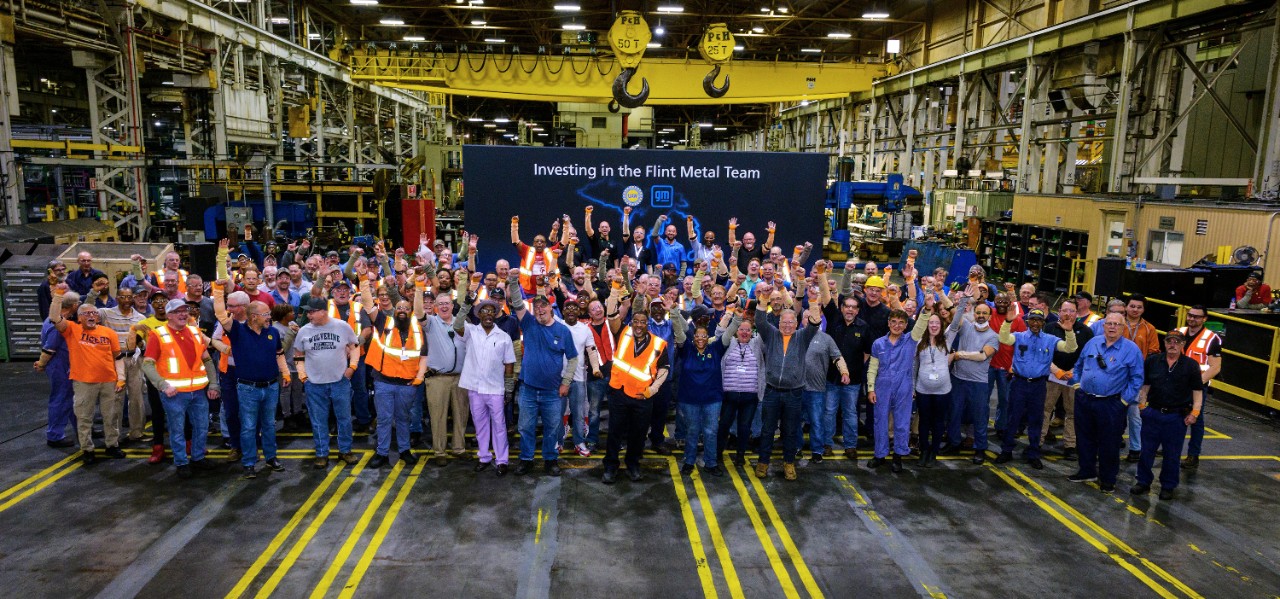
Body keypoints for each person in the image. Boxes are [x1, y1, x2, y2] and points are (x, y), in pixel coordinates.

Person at [214, 278, 291, 479]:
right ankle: (249, 463)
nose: (269, 317)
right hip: (248, 388)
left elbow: (279, 354)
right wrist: (217, 289)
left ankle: (271, 457)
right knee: (248, 426)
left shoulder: (272, 332)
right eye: (266, 314)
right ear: (254, 316)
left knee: (269, 424)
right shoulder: (237, 331)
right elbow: (221, 314)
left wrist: (286, 373)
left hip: (271, 386)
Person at [505, 273, 579, 476]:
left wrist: (566, 382)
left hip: (552, 392)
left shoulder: (563, 331)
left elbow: (573, 358)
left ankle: (550, 459)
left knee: (552, 428)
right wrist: (513, 282)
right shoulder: (528, 323)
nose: (539, 309)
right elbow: (519, 303)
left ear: (551, 308)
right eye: (536, 307)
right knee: (526, 428)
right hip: (528, 389)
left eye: (543, 306)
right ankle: (526, 459)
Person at [139, 299, 221, 478]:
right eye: (178, 311)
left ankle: (198, 458)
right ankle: (181, 462)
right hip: (174, 394)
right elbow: (147, 365)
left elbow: (207, 360)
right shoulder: (157, 335)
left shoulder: (195, 331)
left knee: (201, 426)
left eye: (185, 310)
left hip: (199, 391)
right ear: (169, 315)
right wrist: (162, 385)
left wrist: (213, 383)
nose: (183, 314)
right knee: (177, 430)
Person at [48, 283, 126, 464]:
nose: (91, 316)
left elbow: (118, 357)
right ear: (79, 317)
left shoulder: (109, 333)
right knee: (84, 418)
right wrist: (59, 294)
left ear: (98, 317)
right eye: (86, 314)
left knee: (111, 416)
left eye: (94, 314)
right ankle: (87, 449)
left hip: (109, 381)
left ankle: (112, 445)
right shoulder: (71, 330)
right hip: (84, 382)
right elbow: (54, 316)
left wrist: (121, 378)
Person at [1069, 312, 1145, 493]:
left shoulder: (1131, 350)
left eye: (1116, 325)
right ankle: (1087, 471)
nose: (1112, 327)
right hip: (1085, 399)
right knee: (1084, 438)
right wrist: (1078, 385)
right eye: (1109, 323)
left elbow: (1137, 378)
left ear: (1123, 327)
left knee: (1109, 443)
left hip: (1111, 404)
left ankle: (1108, 478)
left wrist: (1124, 401)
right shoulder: (1092, 343)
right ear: (1103, 326)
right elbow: (1078, 365)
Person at [995, 308, 1077, 469]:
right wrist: (1008, 321)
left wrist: (1069, 332)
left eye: (1039, 320)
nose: (1035, 323)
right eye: (1032, 319)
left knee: (1036, 420)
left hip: (1039, 385)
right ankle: (1006, 450)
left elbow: (1070, 348)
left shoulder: (1051, 340)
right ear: (1027, 322)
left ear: (1043, 323)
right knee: (1013, 418)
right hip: (1019, 383)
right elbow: (1004, 338)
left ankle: (1033, 453)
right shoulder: (1018, 337)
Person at [360, 273, 427, 469]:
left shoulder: (419, 327)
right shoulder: (383, 323)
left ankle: (405, 451)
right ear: (394, 310)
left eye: (407, 308)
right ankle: (381, 453)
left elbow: (424, 355)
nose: (403, 310)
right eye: (399, 308)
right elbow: (367, 302)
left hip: (407, 384)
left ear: (411, 311)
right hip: (384, 382)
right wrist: (363, 277)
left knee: (403, 419)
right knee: (384, 419)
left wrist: (419, 377)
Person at [753, 300, 824, 481]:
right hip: (772, 391)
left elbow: (815, 323)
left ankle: (789, 464)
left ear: (797, 323)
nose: (787, 325)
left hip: (794, 393)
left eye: (790, 322)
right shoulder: (771, 335)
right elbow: (760, 321)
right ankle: (763, 463)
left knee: (790, 430)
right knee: (768, 430)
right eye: (784, 322)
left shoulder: (803, 336)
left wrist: (814, 301)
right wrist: (762, 300)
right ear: (778, 324)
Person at [1132, 329, 1203, 500]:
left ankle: (1168, 486)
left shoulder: (1191, 365)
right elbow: (1145, 386)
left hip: (1176, 417)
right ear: (1164, 343)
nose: (1173, 345)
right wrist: (1142, 407)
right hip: (1153, 414)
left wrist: (1195, 412)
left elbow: (1197, 391)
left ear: (1183, 345)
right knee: (1147, 451)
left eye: (1177, 342)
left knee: (1172, 454)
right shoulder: (1152, 361)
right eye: (1169, 341)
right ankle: (1143, 481)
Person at [293, 295, 362, 469]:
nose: (308, 316)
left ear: (323, 311)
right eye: (308, 313)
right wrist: (303, 376)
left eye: (312, 312)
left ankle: (345, 450)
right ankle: (321, 453)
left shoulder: (342, 326)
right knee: (318, 421)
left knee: (344, 419)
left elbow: (354, 347)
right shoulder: (304, 331)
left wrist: (352, 368)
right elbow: (298, 354)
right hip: (314, 384)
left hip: (340, 381)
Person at [455, 296, 517, 475]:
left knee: (499, 425)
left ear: (496, 315)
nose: (488, 314)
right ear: (479, 314)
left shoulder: (504, 337)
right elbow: (457, 324)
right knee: (480, 425)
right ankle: (484, 456)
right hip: (475, 388)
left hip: (496, 389)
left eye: (492, 311)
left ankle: (502, 460)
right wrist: (466, 303)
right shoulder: (470, 331)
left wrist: (508, 388)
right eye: (484, 311)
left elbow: (509, 364)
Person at [671, 303, 731, 477]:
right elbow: (679, 332)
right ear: (694, 337)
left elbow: (727, 334)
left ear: (708, 337)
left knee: (711, 431)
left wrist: (736, 317)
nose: (700, 339)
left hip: (712, 400)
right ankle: (689, 462)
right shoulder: (687, 349)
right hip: (689, 400)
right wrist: (674, 312)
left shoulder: (716, 349)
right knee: (692, 431)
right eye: (697, 336)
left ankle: (710, 463)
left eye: (704, 336)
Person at [943, 289, 1000, 464]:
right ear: (973, 313)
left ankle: (980, 448)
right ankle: (953, 442)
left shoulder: (994, 337)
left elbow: (983, 355)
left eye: (985, 313)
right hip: (958, 378)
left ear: (990, 316)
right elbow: (954, 315)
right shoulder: (966, 326)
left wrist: (959, 354)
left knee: (979, 416)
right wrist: (963, 301)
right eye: (978, 312)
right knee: (954, 413)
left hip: (979, 383)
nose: (981, 315)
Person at [418, 286, 470, 466]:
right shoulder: (430, 323)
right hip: (437, 378)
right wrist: (418, 288)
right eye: (440, 304)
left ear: (452, 305)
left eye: (447, 303)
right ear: (435, 307)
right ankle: (439, 451)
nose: (444, 306)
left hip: (461, 378)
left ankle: (459, 448)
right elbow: (418, 312)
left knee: (461, 415)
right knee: (437, 417)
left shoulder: (463, 324)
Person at [1043, 299, 1093, 461]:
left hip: (1074, 378)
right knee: (1044, 410)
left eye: (1072, 311)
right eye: (1065, 310)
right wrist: (1056, 371)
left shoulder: (1085, 331)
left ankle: (1070, 445)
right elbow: (1043, 352)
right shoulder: (1050, 328)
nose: (1068, 314)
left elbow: (1087, 355)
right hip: (1051, 376)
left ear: (1077, 313)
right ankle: (1037, 441)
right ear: (1059, 311)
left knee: (1072, 413)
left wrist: (1072, 372)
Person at [867, 309, 915, 473]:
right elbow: (873, 368)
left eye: (901, 322)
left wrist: (928, 308)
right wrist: (871, 389)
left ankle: (898, 456)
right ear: (888, 323)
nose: (897, 325)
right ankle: (879, 455)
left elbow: (922, 324)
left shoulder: (910, 340)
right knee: (880, 421)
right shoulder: (878, 343)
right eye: (893, 321)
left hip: (904, 386)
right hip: (882, 386)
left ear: (906, 325)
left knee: (902, 422)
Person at [822, 292, 869, 461]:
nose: (849, 309)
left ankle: (850, 446)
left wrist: (854, 368)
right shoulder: (834, 321)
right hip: (831, 377)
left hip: (854, 381)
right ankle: (826, 444)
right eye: (846, 306)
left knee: (850, 413)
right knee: (829, 412)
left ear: (857, 311)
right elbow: (827, 299)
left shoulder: (864, 327)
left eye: (853, 307)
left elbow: (867, 352)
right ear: (841, 308)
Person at [1175, 305, 1223, 471]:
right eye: (1190, 315)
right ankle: (1170, 448)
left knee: (1196, 420)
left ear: (1204, 319)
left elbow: (1215, 368)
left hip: (1197, 388)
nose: (1192, 319)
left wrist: (1195, 383)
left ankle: (1193, 455)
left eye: (1196, 316)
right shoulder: (1178, 332)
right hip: (1175, 384)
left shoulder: (1212, 339)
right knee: (1172, 418)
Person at [100, 286, 148, 443]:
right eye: (122, 297)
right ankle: (115, 435)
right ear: (117, 297)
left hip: (135, 359)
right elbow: (86, 310)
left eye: (129, 297)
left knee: (137, 397)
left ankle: (137, 432)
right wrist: (94, 292)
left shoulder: (140, 318)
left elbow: (144, 342)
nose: (126, 300)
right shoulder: (107, 313)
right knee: (116, 398)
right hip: (115, 360)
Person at [35, 290, 80, 449]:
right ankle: (54, 435)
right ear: (74, 306)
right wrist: (41, 364)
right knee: (61, 399)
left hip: (59, 364)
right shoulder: (59, 324)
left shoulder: (50, 319)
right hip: (60, 365)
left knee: (70, 398)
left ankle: (80, 428)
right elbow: (50, 348)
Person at [912, 305, 954, 468]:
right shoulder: (919, 343)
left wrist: (964, 300)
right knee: (924, 422)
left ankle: (934, 451)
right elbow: (914, 367)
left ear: (941, 325)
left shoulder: (947, 339)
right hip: (923, 390)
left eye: (937, 323)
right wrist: (912, 387)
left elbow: (956, 321)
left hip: (943, 391)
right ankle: (923, 450)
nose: (934, 325)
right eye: (931, 323)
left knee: (938, 422)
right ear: (927, 325)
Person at [1120, 294, 1160, 463]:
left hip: (1136, 378)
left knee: (1135, 414)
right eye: (1132, 306)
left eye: (1139, 307)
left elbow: (1154, 353)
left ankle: (1135, 448)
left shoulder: (1149, 329)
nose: (1135, 310)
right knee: (1114, 411)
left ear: (1143, 309)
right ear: (1126, 307)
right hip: (1116, 376)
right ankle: (1113, 441)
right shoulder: (1117, 324)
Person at [558, 300, 600, 457]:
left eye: (574, 308)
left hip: (579, 377)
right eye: (567, 307)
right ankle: (558, 441)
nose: (570, 310)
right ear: (562, 311)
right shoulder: (557, 325)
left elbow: (591, 350)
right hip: (559, 377)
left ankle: (579, 442)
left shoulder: (585, 330)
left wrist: (595, 368)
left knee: (579, 413)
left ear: (578, 311)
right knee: (558, 412)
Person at [510, 215, 563, 297]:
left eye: (542, 241)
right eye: (537, 241)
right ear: (533, 243)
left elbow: (563, 243)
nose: (539, 243)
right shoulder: (527, 250)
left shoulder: (550, 251)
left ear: (545, 244)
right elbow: (515, 241)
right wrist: (514, 223)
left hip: (548, 291)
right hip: (528, 291)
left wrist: (565, 226)